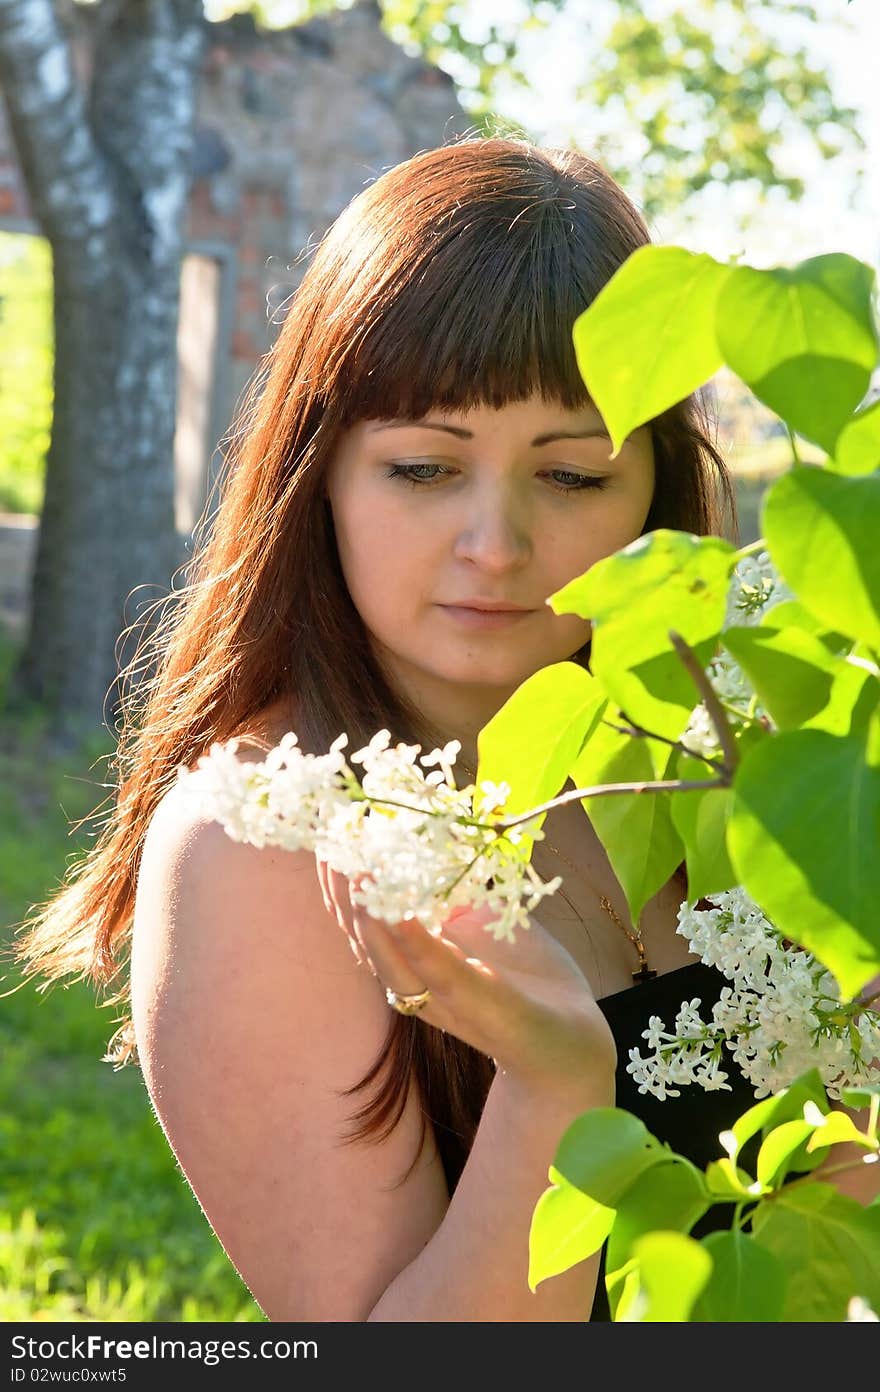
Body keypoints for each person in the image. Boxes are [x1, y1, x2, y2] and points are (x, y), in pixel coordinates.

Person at [14, 136, 871, 1324]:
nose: (495, 544)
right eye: (423, 467)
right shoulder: (264, 844)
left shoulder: (738, 762)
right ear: (316, 475)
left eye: (571, 477)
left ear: (655, 497)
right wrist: (557, 1086)